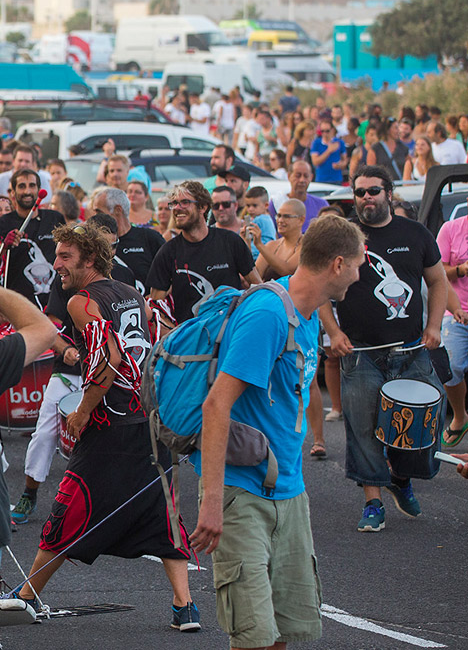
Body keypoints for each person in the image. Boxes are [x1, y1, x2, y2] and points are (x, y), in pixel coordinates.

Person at [12, 224, 199, 631]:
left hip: (110, 424)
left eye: (64, 257)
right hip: (149, 421)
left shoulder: (83, 300)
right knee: (162, 512)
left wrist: (81, 411)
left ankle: (26, 596)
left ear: (89, 259)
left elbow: (107, 358)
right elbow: (147, 350)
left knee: (69, 506)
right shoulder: (132, 293)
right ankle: (185, 607)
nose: (56, 264)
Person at [191, 216, 366, 650]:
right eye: (360, 264)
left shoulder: (307, 316)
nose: (361, 274)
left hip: (289, 491)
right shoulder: (269, 313)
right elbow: (215, 405)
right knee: (254, 639)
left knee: (282, 636)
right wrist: (213, 502)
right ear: (338, 264)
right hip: (242, 497)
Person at [321, 167, 449, 531]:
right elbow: (319, 288)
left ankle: (402, 477)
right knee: (362, 430)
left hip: (411, 350)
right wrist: (333, 333)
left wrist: (435, 325)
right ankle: (373, 503)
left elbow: (438, 280)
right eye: (359, 193)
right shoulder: (341, 236)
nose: (366, 198)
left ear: (388, 193)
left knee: (426, 422)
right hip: (360, 353)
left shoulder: (415, 233)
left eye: (373, 191)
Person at [148, 181, 259, 327]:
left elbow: (257, 286)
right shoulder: (168, 252)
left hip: (230, 331)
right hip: (191, 338)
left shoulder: (230, 242)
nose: (177, 208)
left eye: (185, 202)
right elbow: (156, 307)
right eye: (174, 203)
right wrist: (176, 334)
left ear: (203, 207)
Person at [0, 168, 65, 309]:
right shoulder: (3, 223)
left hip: (53, 304)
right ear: (12, 193)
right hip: (18, 305)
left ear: (39, 190)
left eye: (32, 186)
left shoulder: (55, 218)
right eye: (21, 186)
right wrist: (3, 246)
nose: (27, 191)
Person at [435, 210, 468, 449]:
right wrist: (462, 269)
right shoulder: (450, 229)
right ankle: (459, 415)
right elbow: (437, 272)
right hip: (457, 312)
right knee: (452, 367)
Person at [269, 161, 329, 231]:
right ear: (289, 176)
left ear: (311, 177)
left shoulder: (321, 204)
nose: (302, 180)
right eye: (298, 176)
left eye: (306, 176)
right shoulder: (277, 203)